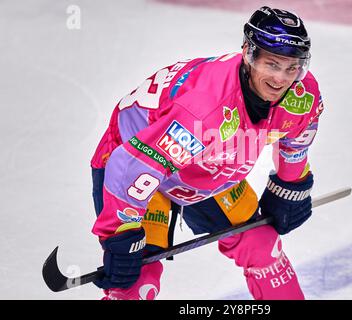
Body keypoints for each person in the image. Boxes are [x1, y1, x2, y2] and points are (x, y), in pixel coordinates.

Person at [90, 6, 323, 300]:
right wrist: (121, 235)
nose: (281, 79)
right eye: (272, 65)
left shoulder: (302, 93)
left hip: (207, 166)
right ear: (248, 54)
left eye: (292, 67)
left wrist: (290, 185)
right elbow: (132, 166)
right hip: (134, 166)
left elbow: (298, 133)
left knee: (262, 245)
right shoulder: (204, 110)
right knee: (137, 280)